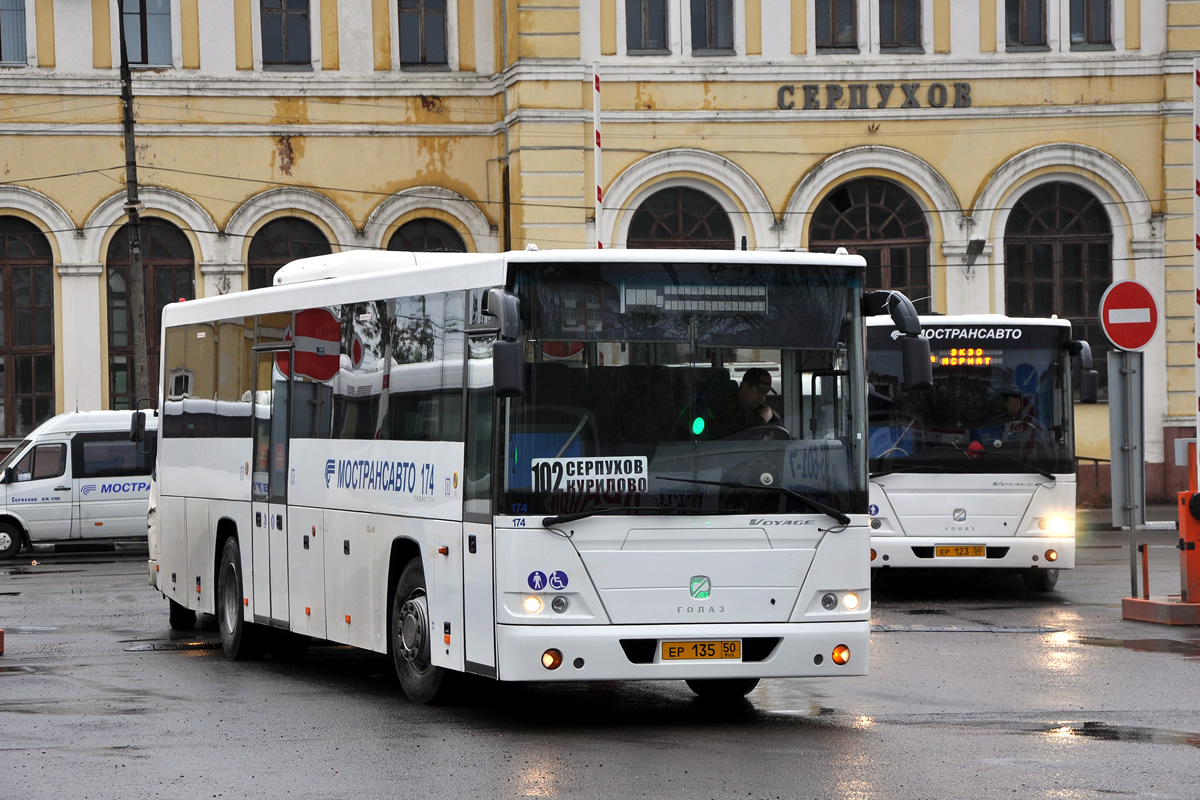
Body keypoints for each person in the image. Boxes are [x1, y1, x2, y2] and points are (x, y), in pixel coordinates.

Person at [704, 367, 782, 438]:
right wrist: (762, 420)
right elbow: (738, 439)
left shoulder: (765, 412)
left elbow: (785, 438)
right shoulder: (723, 409)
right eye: (759, 391)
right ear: (744, 386)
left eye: (765, 393)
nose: (762, 398)